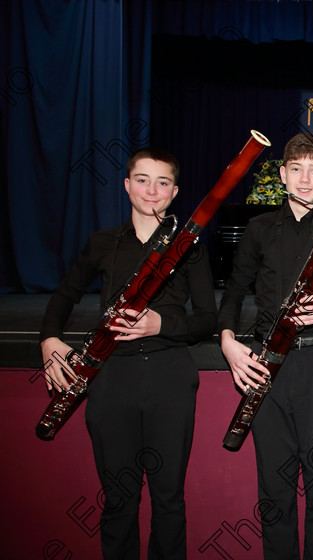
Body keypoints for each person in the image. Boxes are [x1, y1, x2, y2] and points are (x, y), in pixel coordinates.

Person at [39, 148, 218, 559]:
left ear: (174, 192)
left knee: (168, 499)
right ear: (126, 185)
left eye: (162, 182)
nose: (151, 190)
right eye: (142, 179)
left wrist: (162, 325)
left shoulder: (190, 246)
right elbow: (64, 296)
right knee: (118, 498)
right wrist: (50, 338)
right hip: (111, 379)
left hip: (170, 378)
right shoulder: (102, 243)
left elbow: (207, 318)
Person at [219, 133, 313, 560]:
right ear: (282, 174)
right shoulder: (259, 229)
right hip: (268, 367)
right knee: (274, 491)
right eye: (296, 169)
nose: (305, 179)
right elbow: (231, 294)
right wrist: (227, 342)